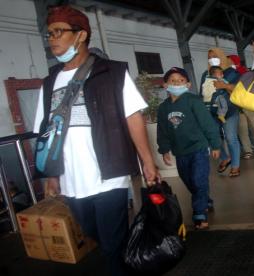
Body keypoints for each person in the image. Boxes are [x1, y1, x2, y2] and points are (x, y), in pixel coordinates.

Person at [33, 6, 159, 276]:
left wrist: (148, 162)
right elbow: (44, 132)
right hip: (70, 178)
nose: (52, 38)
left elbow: (133, 117)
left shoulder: (111, 73)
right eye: (49, 34)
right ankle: (132, 259)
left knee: (112, 245)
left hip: (109, 173)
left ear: (80, 36)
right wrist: (50, 175)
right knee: (93, 231)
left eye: (58, 32)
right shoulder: (49, 82)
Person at [157, 67, 221, 230]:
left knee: (199, 179)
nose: (176, 83)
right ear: (165, 85)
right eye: (172, 81)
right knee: (189, 181)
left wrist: (215, 144)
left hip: (198, 148)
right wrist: (164, 149)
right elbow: (162, 130)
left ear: (188, 84)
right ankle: (205, 200)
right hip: (180, 152)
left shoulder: (193, 101)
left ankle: (200, 213)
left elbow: (207, 124)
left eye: (181, 80)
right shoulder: (163, 108)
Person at [200, 48, 241, 177]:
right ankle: (224, 157)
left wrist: (223, 86)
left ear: (221, 56)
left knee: (230, 137)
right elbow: (202, 92)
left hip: (229, 110)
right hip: (211, 111)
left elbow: (239, 89)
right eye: (209, 57)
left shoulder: (231, 72)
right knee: (212, 136)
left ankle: (235, 166)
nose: (212, 59)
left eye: (214, 56)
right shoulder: (205, 74)